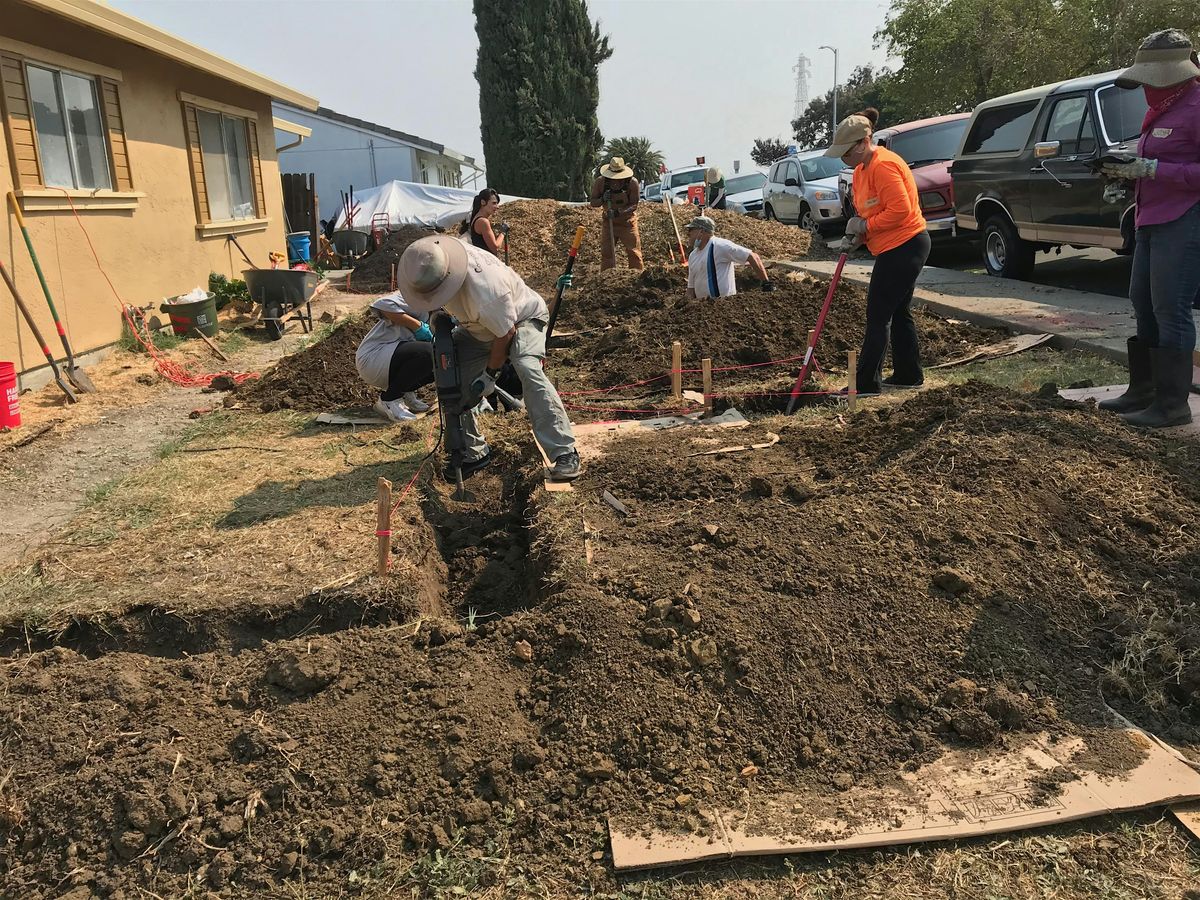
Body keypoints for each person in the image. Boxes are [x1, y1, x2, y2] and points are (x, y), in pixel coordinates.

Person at [396, 235, 582, 481]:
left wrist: (489, 376)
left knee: (526, 365)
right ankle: (473, 453)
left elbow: (506, 335)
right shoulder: (431, 258)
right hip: (477, 327)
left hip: (520, 319)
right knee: (450, 377)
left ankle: (564, 451)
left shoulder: (486, 291)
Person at [1096, 29, 1200, 428]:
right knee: (1142, 301)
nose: (1144, 88)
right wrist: (1124, 175)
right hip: (1148, 218)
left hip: (1185, 219)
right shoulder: (1160, 108)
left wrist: (1155, 170)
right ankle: (1145, 389)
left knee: (1170, 309)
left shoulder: (1195, 106)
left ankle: (1173, 404)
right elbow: (1151, 158)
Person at [825, 107, 930, 395]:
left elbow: (900, 210)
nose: (844, 158)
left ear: (864, 142)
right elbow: (870, 212)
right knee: (897, 311)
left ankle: (866, 384)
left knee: (878, 314)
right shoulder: (860, 171)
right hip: (891, 246)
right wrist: (857, 235)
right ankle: (909, 375)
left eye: (847, 151)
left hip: (906, 244)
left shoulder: (884, 165)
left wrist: (865, 227)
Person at [354, 293, 434, 422]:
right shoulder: (417, 298)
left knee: (442, 357)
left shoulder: (440, 311)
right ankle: (389, 399)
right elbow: (383, 304)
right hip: (374, 357)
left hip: (392, 360)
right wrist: (418, 327)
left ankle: (405, 393)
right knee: (428, 353)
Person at [685, 216, 774, 298]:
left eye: (691, 230)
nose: (688, 233)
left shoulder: (720, 246)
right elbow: (691, 289)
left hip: (724, 305)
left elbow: (752, 256)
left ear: (702, 231)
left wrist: (766, 283)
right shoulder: (693, 255)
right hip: (703, 310)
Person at [589, 157, 644, 270]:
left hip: (627, 223)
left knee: (634, 252)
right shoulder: (601, 182)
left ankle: (637, 276)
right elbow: (593, 203)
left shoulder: (632, 183)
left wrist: (618, 212)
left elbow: (634, 204)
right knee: (607, 253)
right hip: (609, 222)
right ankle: (607, 277)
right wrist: (602, 199)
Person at [459, 188, 508, 257]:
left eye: (497, 204)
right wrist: (503, 233)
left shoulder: (476, 218)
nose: (497, 207)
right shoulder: (483, 222)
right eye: (494, 203)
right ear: (483, 202)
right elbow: (495, 247)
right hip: (486, 262)